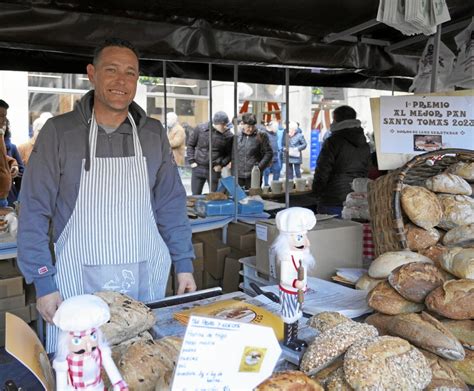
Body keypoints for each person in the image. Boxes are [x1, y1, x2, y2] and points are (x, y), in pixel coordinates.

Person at [17, 38, 196, 353]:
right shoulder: (59, 133)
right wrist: (43, 282)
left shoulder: (153, 133)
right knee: (83, 372)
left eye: (130, 73)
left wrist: (184, 263)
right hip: (76, 284)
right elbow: (33, 210)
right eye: (111, 70)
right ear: (91, 73)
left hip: (145, 280)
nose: (121, 80)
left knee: (143, 365)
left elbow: (170, 204)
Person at [312, 105, 370, 217]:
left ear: (337, 120)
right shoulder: (364, 144)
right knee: (352, 231)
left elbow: (322, 170)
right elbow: (366, 169)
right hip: (356, 196)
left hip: (333, 197)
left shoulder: (333, 142)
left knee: (332, 231)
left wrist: (317, 192)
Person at [186, 111, 233, 195]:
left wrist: (221, 165)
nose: (227, 128)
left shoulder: (228, 136)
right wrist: (192, 161)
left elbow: (230, 154)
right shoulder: (200, 129)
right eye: (225, 125)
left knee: (214, 195)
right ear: (219, 124)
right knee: (195, 195)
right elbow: (190, 145)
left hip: (214, 169)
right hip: (198, 167)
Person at [234, 113, 273, 189]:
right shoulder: (237, 136)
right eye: (248, 126)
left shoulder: (262, 135)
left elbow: (269, 153)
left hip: (254, 174)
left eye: (253, 126)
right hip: (239, 175)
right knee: (239, 198)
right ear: (242, 124)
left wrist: (258, 168)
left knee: (254, 198)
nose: (251, 129)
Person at [0, 100, 24, 204]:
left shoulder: (11, 147)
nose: (4, 120)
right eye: (1, 116)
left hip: (8, 195)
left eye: (5, 116)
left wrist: (14, 166)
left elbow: (4, 158)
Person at [263, 121, 281, 186]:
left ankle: (275, 185)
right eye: (276, 128)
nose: (277, 130)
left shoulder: (275, 134)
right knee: (266, 172)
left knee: (277, 170)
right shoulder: (264, 134)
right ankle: (266, 185)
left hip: (276, 156)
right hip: (267, 157)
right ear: (272, 127)